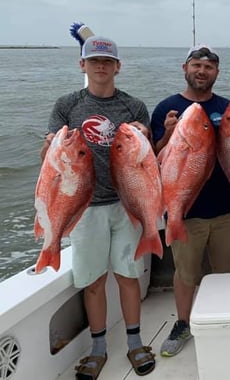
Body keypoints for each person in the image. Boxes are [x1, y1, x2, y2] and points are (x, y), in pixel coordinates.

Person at [42, 34, 155, 379]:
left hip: (126, 204)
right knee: (93, 281)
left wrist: (146, 135)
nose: (101, 67)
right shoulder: (66, 105)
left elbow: (147, 159)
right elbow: (49, 164)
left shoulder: (134, 106)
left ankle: (135, 343)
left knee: (128, 276)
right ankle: (99, 347)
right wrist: (49, 147)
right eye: (94, 61)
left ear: (117, 66)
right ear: (83, 65)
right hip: (85, 208)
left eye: (107, 62)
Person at [151, 44, 230, 357]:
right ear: (185, 68)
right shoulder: (167, 107)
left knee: (229, 270)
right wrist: (167, 137)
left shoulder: (228, 107)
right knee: (185, 272)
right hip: (185, 208)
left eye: (209, 67)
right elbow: (151, 157)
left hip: (228, 207)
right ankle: (182, 323)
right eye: (196, 65)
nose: (202, 71)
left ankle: (228, 320)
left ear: (217, 73)